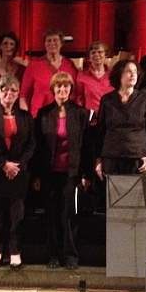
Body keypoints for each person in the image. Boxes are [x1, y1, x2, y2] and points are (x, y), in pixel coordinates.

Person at [0, 74, 35, 269]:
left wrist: (16, 165)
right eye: (4, 89)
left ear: (18, 93)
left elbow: (31, 144)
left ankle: (15, 251)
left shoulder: (26, 117)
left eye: (13, 90)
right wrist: (4, 164)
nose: (8, 93)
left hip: (18, 172)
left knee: (17, 214)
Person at [35, 72, 90, 270]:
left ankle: (70, 255)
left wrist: (85, 174)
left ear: (71, 89)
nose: (62, 90)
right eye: (59, 86)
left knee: (70, 215)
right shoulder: (43, 113)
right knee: (51, 215)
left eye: (66, 86)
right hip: (49, 173)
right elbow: (38, 146)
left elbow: (86, 146)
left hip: (72, 174)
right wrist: (37, 175)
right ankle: (53, 255)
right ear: (53, 89)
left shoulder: (81, 113)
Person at [95, 59, 146, 179]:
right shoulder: (107, 99)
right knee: (112, 191)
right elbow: (100, 131)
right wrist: (98, 159)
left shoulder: (145, 98)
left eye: (135, 71)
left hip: (137, 159)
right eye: (129, 71)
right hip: (111, 158)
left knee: (135, 192)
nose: (133, 74)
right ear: (119, 74)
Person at [20, 29, 77, 117]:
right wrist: (25, 118)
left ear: (61, 43)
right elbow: (24, 95)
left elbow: (75, 93)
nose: (52, 43)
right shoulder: (34, 65)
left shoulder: (69, 65)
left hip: (64, 116)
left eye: (55, 40)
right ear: (44, 44)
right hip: (38, 116)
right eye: (48, 41)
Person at [75, 40, 113, 117]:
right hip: (91, 119)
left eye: (100, 52)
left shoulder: (113, 75)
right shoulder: (82, 76)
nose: (96, 55)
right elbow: (79, 100)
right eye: (93, 52)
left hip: (110, 117)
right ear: (89, 57)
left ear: (105, 55)